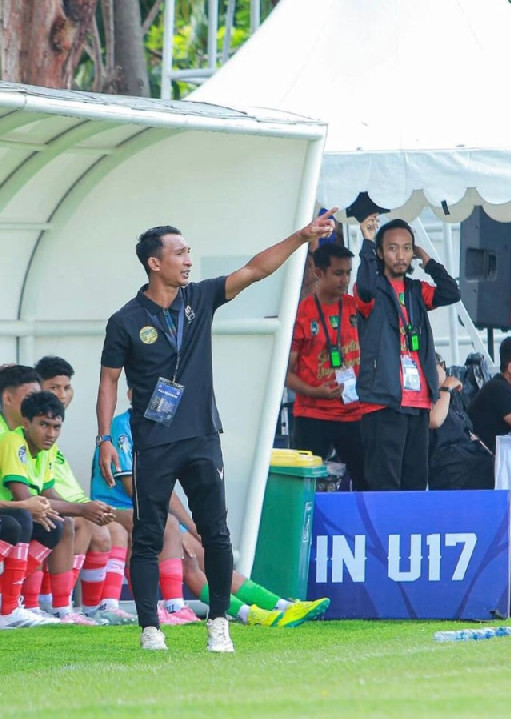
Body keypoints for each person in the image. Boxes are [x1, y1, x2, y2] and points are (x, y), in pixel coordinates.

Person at [97, 213, 337, 652]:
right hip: (152, 440)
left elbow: (255, 269)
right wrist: (105, 439)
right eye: (180, 253)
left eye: (189, 252)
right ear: (154, 263)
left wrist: (302, 237)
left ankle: (220, 623)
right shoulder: (126, 320)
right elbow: (109, 381)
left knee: (216, 531)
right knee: (149, 534)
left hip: (202, 434)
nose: (189, 260)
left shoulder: (200, 298)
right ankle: (151, 628)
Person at [91, 398, 331, 629]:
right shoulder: (123, 425)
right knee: (183, 552)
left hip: (150, 511)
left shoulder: (162, 430)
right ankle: (230, 612)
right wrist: (173, 525)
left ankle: (280, 606)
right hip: (118, 508)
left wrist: (191, 526)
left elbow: (164, 490)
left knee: (203, 553)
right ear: (134, 394)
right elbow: (134, 486)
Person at [355, 217, 460, 491]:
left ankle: (407, 532)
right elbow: (364, 286)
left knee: (415, 482)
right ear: (380, 252)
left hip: (418, 401)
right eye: (392, 248)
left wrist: (426, 259)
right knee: (384, 483)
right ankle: (382, 533)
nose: (400, 255)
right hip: (384, 399)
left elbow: (451, 293)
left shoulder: (416, 289)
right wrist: (367, 241)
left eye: (406, 248)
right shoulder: (372, 290)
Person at [33, 355, 132, 625]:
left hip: (74, 504)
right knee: (89, 526)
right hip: (45, 508)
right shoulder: (28, 434)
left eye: (67, 388)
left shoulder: (51, 440)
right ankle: (54, 601)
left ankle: (100, 606)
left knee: (115, 530)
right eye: (54, 387)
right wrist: (81, 509)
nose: (62, 395)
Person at [286, 243, 367, 490]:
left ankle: (365, 528)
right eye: (338, 273)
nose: (345, 279)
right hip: (312, 416)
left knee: (367, 480)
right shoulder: (302, 313)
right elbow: (285, 373)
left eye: (348, 272)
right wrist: (316, 391)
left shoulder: (356, 307)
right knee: (306, 485)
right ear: (320, 273)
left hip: (354, 414)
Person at [0, 391, 64, 629]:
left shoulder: (46, 449)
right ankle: (8, 608)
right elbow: (23, 497)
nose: (50, 433)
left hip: (8, 516)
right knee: (24, 517)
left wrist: (84, 510)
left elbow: (47, 494)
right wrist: (84, 509)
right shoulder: (13, 441)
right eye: (43, 425)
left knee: (56, 525)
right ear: (26, 422)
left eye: (56, 427)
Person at [428, 355, 495, 490]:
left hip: (472, 459)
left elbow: (469, 433)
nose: (444, 368)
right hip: (452, 467)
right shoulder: (431, 399)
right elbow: (434, 420)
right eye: (440, 365)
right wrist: (446, 387)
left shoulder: (452, 399)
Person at [0, 365, 41, 445]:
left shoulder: (33, 432)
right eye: (30, 396)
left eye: (39, 397)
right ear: (8, 399)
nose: (38, 403)